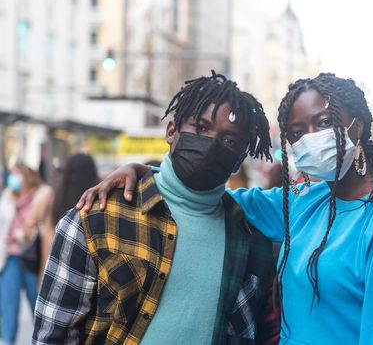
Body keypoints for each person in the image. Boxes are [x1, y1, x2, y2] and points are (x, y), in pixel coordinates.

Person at [78, 73, 373, 344]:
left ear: (356, 127)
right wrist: (148, 173)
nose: (310, 137)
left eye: (325, 123)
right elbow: (209, 198)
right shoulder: (307, 204)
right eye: (296, 132)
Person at [33, 72, 280, 344]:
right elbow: (52, 335)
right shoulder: (97, 216)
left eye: (229, 141)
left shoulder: (248, 237)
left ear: (238, 161)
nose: (212, 144)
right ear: (171, 131)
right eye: (200, 128)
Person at [0, 164, 53, 345]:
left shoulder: (41, 195)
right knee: (8, 308)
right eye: (12, 174)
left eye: (17, 174)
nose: (13, 178)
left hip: (33, 258)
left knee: (38, 304)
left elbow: (37, 228)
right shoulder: (7, 196)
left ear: (27, 176)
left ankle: (43, 340)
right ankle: (8, 340)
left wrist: (17, 235)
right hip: (10, 257)